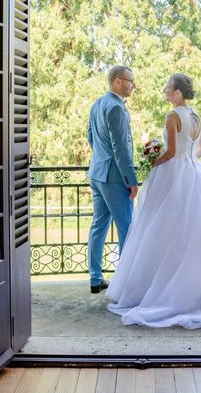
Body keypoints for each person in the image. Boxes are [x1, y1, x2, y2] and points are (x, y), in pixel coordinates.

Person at [106, 73, 201, 328]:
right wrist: (191, 161)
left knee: (164, 228)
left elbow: (171, 152)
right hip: (194, 173)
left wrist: (153, 162)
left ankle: (158, 288)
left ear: (177, 92)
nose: (165, 91)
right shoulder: (194, 115)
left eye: (168, 88)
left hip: (174, 176)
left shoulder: (172, 116)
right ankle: (199, 286)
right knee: (197, 230)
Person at [87, 65, 138, 294]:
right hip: (114, 177)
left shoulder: (98, 103)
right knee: (126, 227)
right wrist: (131, 179)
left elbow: (90, 137)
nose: (132, 85)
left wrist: (101, 158)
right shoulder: (116, 108)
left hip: (97, 173)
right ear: (117, 81)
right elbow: (121, 149)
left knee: (98, 226)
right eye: (130, 81)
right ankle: (125, 283)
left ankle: (95, 278)